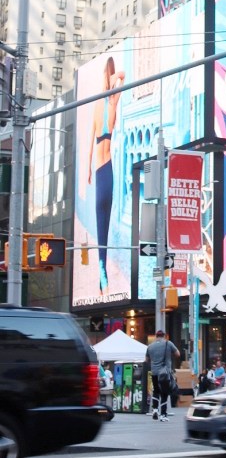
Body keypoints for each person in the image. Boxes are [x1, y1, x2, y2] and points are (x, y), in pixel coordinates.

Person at [87, 56, 125, 297]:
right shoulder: (110, 105)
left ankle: (103, 275)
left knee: (103, 225)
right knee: (104, 222)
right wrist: (113, 82)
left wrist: (87, 173)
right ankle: (103, 276)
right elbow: (123, 76)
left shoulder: (105, 105)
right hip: (105, 170)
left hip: (102, 169)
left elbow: (89, 144)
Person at [145, 330, 180, 421]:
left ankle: (155, 409)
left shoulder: (150, 346)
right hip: (165, 373)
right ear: (164, 336)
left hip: (155, 373)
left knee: (156, 391)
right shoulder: (168, 343)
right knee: (164, 393)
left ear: (156, 336)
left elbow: (146, 360)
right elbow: (178, 354)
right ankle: (163, 415)